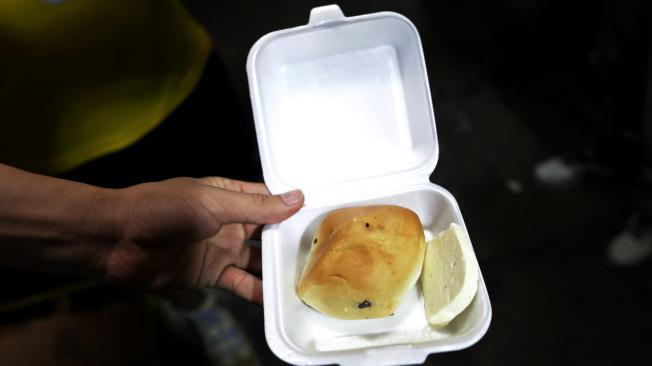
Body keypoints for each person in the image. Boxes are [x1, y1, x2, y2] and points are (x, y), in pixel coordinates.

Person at [0, 0, 303, 364]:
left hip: (170, 74)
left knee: (234, 208)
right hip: (39, 140)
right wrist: (109, 232)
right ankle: (195, 306)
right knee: (159, 255)